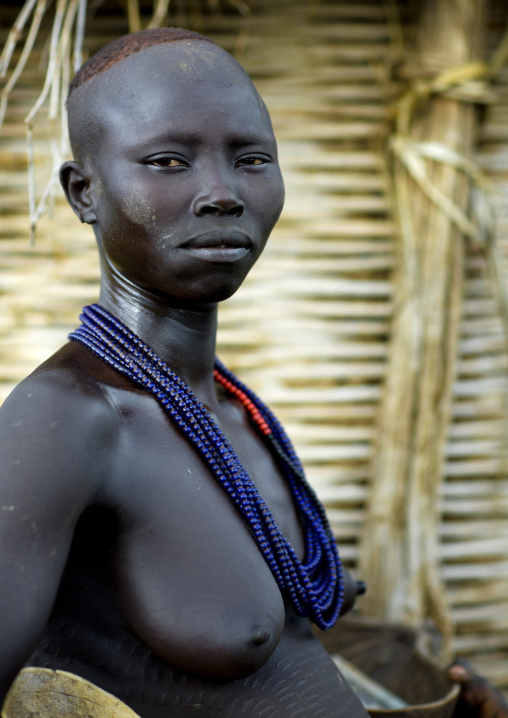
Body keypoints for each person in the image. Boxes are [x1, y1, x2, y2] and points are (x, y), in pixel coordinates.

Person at [0, 27, 369, 718]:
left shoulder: (234, 413)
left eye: (252, 159)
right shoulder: (64, 423)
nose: (222, 193)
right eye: (169, 161)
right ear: (85, 193)